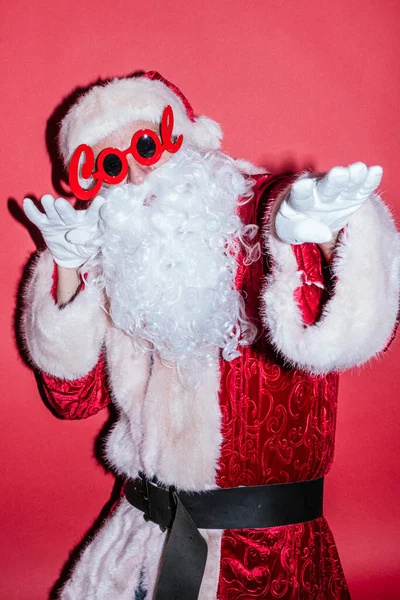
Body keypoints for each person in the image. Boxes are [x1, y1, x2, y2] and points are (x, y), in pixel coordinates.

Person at [21, 71, 399, 600]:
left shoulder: (264, 212)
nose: (131, 176)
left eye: (145, 147)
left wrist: (327, 236)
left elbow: (358, 333)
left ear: (185, 137)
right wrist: (67, 267)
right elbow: (73, 399)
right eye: (107, 165)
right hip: (140, 547)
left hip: (267, 559)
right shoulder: (116, 252)